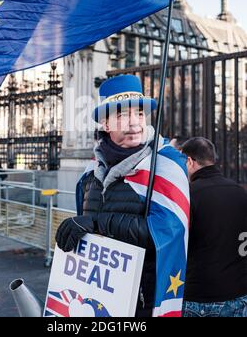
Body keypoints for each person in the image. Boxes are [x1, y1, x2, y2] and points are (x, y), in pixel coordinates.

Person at [55, 74, 189, 317]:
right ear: (106, 125)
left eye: (139, 113)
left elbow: (167, 231)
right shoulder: (90, 175)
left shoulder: (165, 166)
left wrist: (97, 224)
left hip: (145, 302)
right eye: (122, 115)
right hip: (98, 299)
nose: (135, 123)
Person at [181, 137, 247, 317]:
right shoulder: (240, 192)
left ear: (189, 161)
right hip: (239, 294)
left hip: (200, 297)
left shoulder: (189, 195)